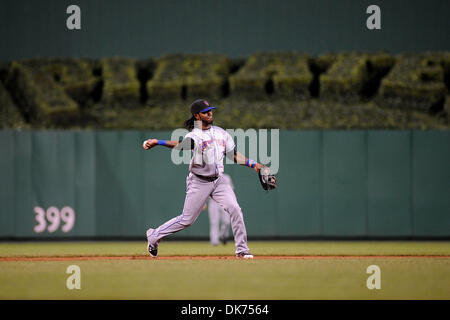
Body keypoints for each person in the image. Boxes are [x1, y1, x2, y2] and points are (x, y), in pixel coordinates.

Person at [142, 99, 264, 259]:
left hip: (219, 181)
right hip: (199, 181)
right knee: (186, 220)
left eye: (211, 110)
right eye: (206, 112)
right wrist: (159, 142)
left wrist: (253, 164)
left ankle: (242, 250)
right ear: (197, 116)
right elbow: (181, 145)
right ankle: (153, 236)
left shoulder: (221, 133)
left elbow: (233, 155)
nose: (210, 113)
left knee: (235, 209)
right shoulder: (195, 135)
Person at [206, 173, 233, 246]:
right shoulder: (209, 177)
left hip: (224, 201)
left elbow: (231, 191)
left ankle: (223, 235)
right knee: (214, 222)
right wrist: (204, 202)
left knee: (227, 222)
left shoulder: (227, 177)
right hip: (213, 202)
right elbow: (206, 192)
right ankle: (214, 241)